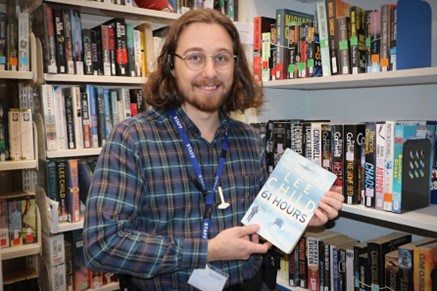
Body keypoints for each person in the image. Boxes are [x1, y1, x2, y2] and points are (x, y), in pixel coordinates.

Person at [83, 8, 344, 291]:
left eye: (221, 58)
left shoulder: (248, 138)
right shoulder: (132, 138)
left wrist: (303, 216)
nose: (210, 72)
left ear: (235, 65)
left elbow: (261, 226)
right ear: (171, 65)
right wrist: (207, 250)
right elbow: (102, 245)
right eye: (195, 57)